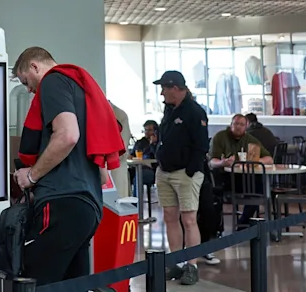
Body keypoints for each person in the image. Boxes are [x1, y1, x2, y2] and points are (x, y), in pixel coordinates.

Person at [12, 47, 125, 286]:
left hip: (61, 203)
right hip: (88, 205)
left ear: (34, 67)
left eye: (26, 81)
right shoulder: (81, 89)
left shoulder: (53, 81)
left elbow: (68, 135)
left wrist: (31, 176)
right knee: (73, 284)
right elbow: (103, 170)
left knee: (33, 282)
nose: (29, 89)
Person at [153, 71, 209, 286]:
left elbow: (201, 145)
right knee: (169, 216)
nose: (161, 93)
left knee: (188, 219)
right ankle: (175, 262)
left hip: (185, 173)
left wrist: (191, 170)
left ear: (174, 88)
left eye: (164, 88)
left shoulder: (195, 112)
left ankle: (191, 265)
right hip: (165, 171)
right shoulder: (169, 110)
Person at [209, 114, 274, 229]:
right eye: (236, 124)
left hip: (243, 178)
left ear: (246, 126)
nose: (238, 127)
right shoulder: (220, 137)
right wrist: (223, 163)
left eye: (242, 125)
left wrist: (254, 161)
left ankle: (243, 222)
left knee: (259, 188)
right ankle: (216, 227)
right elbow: (211, 162)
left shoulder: (250, 140)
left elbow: (269, 159)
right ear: (231, 124)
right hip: (224, 178)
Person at [109, 100, 131, 198]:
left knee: (117, 201)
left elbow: (122, 148)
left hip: (115, 167)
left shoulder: (118, 115)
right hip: (111, 166)